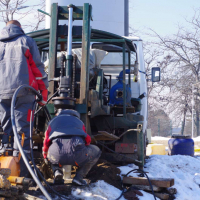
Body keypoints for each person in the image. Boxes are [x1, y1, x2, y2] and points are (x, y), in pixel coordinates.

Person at [0, 20, 48, 177]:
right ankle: (22, 175)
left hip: (2, 94)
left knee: (5, 132)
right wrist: (43, 94)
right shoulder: (26, 41)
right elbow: (37, 69)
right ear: (20, 28)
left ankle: (5, 173)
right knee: (22, 133)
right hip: (24, 93)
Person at [43, 109, 101, 186]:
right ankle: (78, 178)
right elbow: (87, 140)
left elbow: (46, 141)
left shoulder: (52, 121)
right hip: (76, 154)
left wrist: (45, 156)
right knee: (97, 151)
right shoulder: (79, 122)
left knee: (52, 154)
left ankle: (57, 172)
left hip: (57, 155)